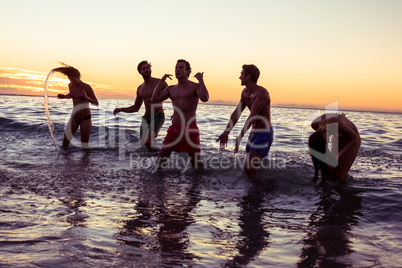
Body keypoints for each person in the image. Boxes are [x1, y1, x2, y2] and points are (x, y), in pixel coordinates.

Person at [217, 64, 273, 178]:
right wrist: (226, 132)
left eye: (241, 74)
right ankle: (258, 190)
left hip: (264, 133)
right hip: (254, 133)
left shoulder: (262, 93)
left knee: (248, 168)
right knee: (254, 167)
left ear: (248, 76)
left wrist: (239, 137)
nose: (239, 77)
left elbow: (252, 116)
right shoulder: (245, 92)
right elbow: (237, 113)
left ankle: (261, 192)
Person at [151, 59, 209, 169]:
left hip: (190, 128)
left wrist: (201, 79)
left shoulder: (195, 86)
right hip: (175, 128)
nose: (177, 70)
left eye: (181, 68)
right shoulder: (171, 88)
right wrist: (161, 81)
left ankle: (201, 184)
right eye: (176, 67)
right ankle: (156, 183)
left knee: (196, 162)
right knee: (161, 157)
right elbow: (154, 99)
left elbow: (205, 98)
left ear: (187, 71)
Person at [113, 61, 167, 150]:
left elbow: (173, 96)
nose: (146, 70)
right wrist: (121, 109)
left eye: (148, 67)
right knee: (145, 144)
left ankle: (161, 154)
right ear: (140, 72)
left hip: (158, 116)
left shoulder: (160, 83)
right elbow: (136, 107)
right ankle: (154, 157)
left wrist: (176, 112)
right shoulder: (140, 88)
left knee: (149, 141)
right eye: (143, 68)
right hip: (146, 117)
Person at [55, 64, 98, 149]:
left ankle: (86, 162)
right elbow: (71, 95)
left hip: (85, 118)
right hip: (74, 117)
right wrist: (64, 96)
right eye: (70, 79)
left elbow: (96, 103)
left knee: (84, 146)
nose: (72, 81)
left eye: (73, 79)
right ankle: (64, 161)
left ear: (78, 76)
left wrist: (86, 97)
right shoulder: (70, 85)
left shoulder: (86, 87)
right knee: (65, 143)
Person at [309, 113, 361, 182]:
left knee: (340, 176)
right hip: (337, 140)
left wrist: (340, 153)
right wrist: (315, 175)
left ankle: (343, 188)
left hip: (352, 140)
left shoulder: (335, 121)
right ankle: (330, 191)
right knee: (330, 172)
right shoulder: (315, 125)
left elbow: (354, 137)